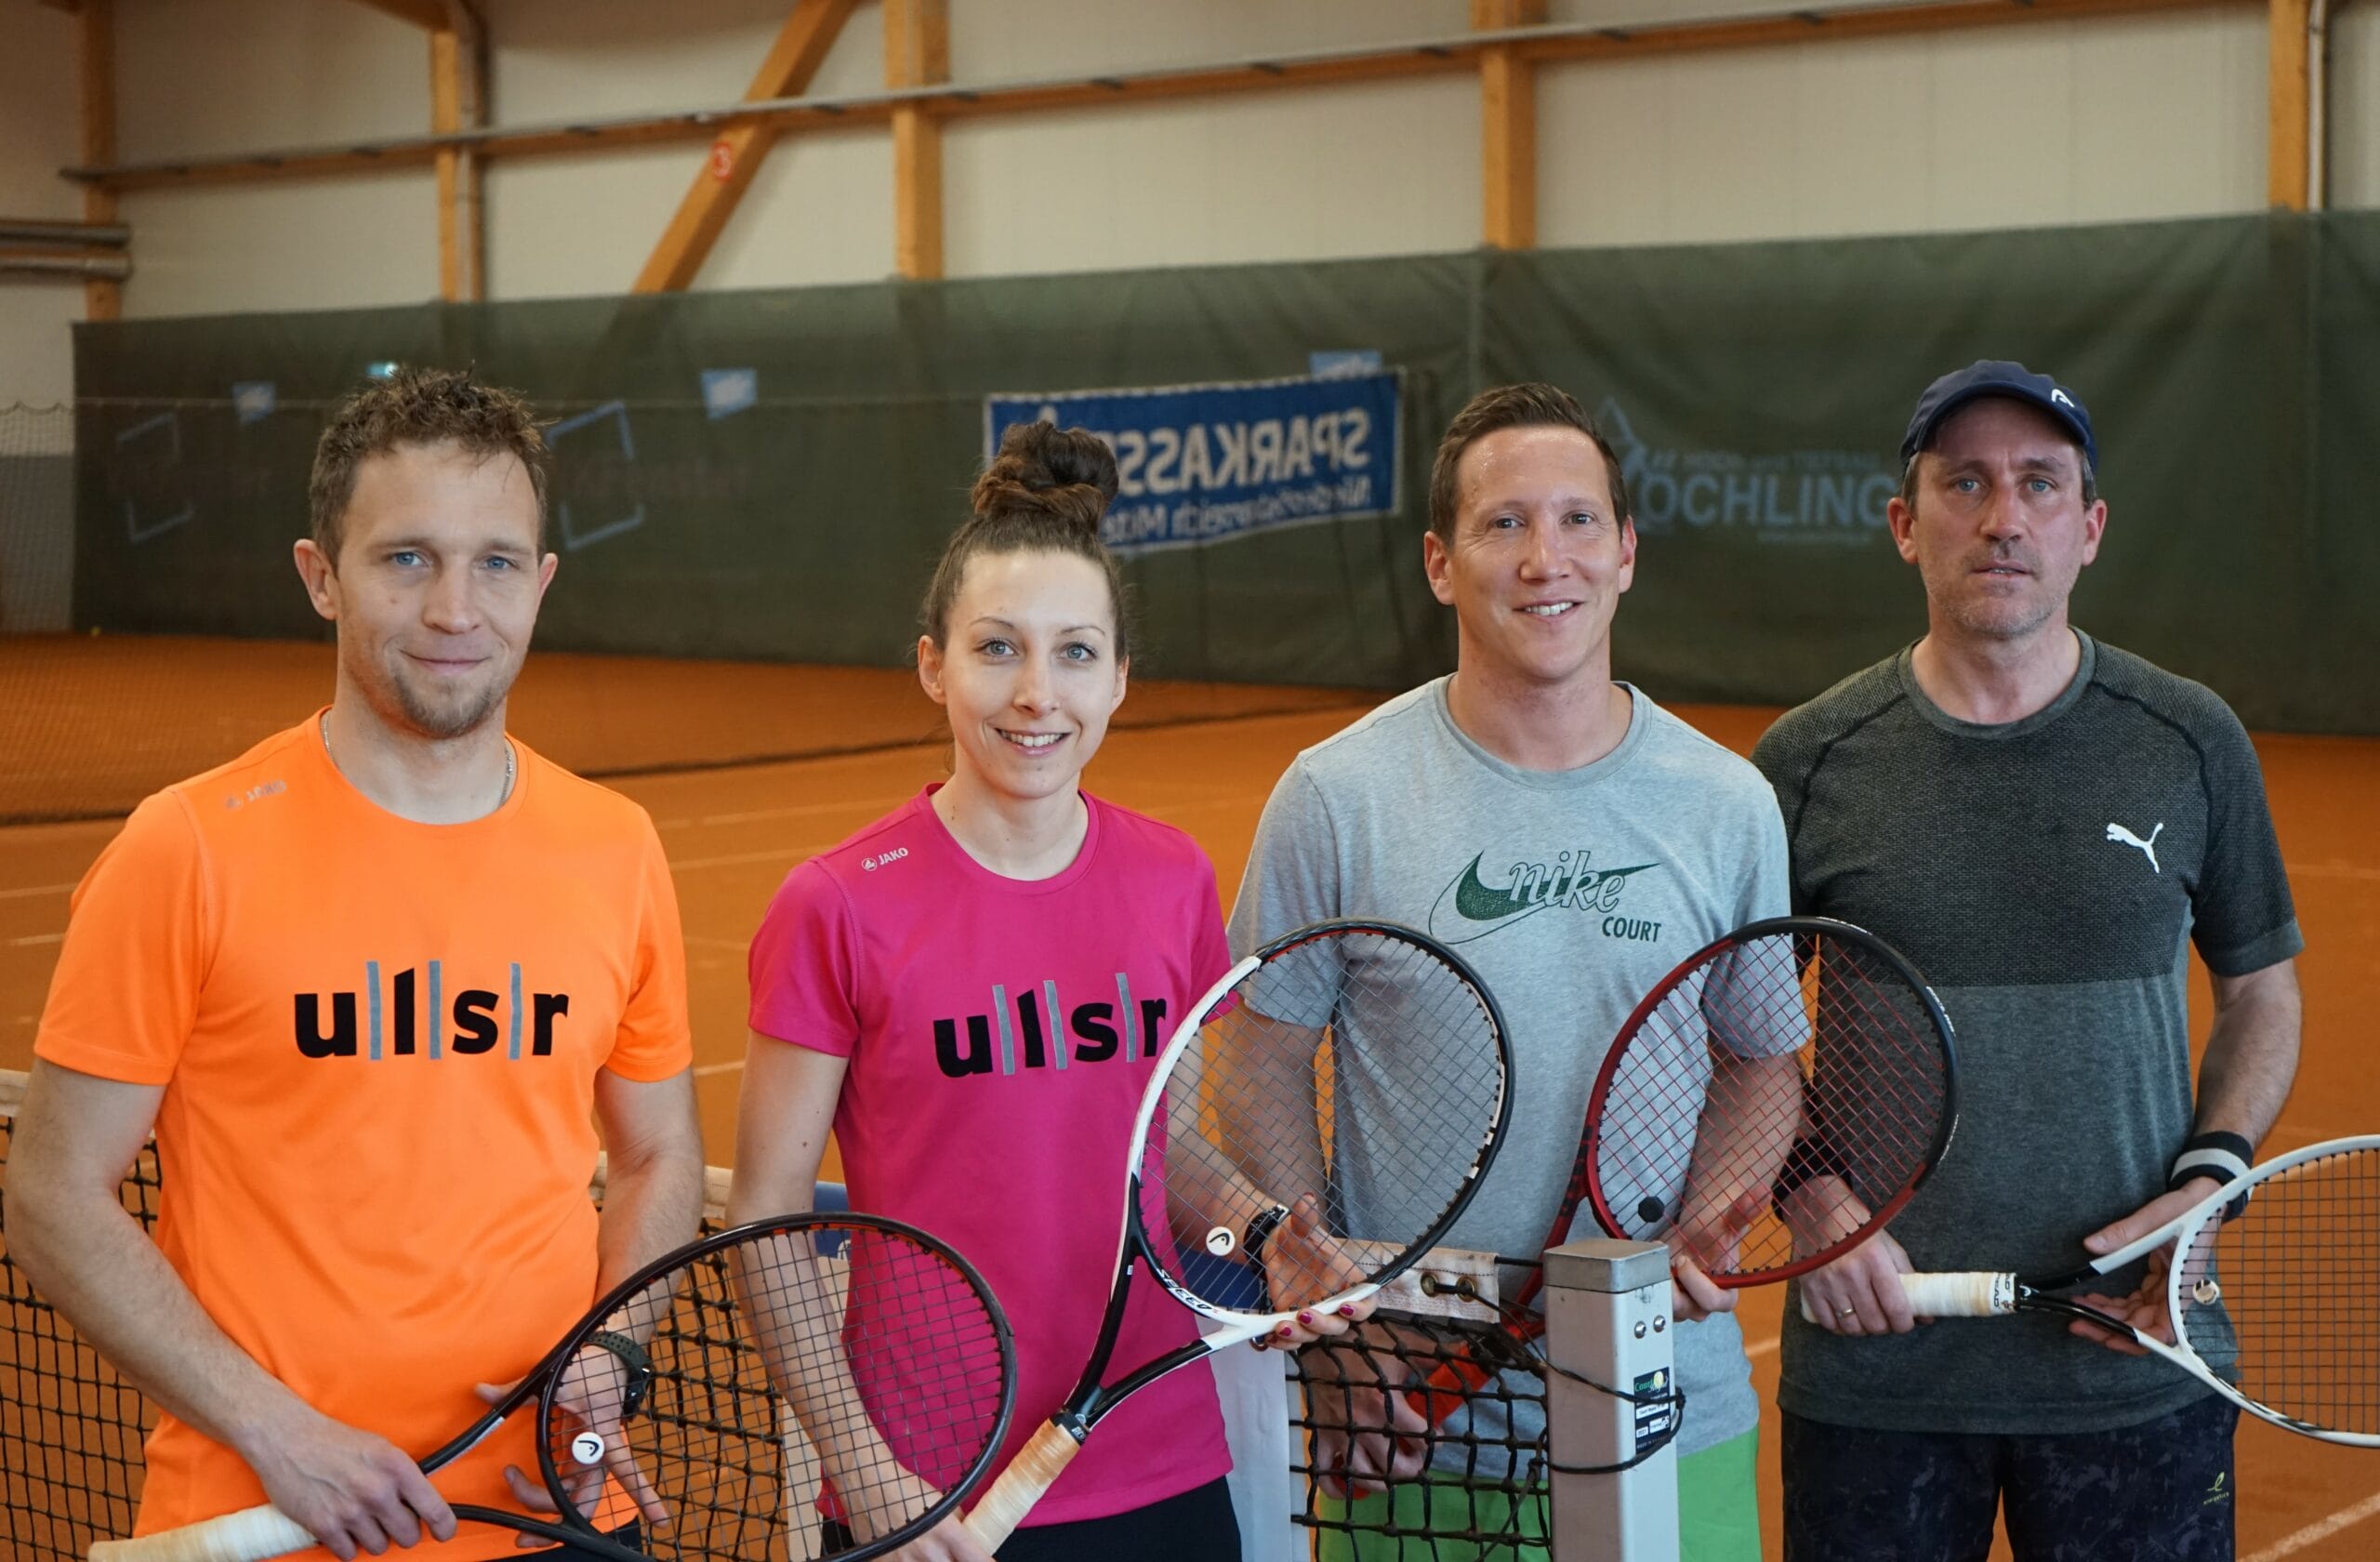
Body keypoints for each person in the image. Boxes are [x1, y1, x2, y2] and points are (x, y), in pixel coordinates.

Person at [6, 369, 707, 1562]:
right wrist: (275, 1432)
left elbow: (657, 1152)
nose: (455, 609)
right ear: (321, 576)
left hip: (550, 1517)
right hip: (269, 1521)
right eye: (406, 558)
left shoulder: (617, 845)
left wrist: (614, 1349)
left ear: (540, 584)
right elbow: (51, 1193)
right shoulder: (185, 850)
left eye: (496, 562)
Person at [729, 421, 1362, 1562]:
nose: (1036, 694)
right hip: (927, 1489)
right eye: (996, 649)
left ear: (1117, 678)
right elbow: (767, 1216)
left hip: (1158, 1455)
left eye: (1074, 653)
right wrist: (866, 1475)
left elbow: (1159, 1150)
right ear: (934, 665)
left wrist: (1262, 1231)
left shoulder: (1171, 878)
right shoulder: (836, 905)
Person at [1752, 360, 2304, 1561]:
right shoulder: (1809, 760)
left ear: (2088, 529)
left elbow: (2261, 992)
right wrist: (1815, 1202)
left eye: (2040, 484)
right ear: (1905, 525)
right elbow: (1729, 1032)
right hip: (1877, 1370)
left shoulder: (2190, 738)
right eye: (1965, 483)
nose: (2003, 517)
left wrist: (2209, 1184)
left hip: (2135, 1354)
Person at [1228, 383, 1787, 1562]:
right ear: (1440, 564)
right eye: (1504, 524)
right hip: (1407, 1425)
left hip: (1669, 1418)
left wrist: (1708, 1217)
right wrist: (1331, 1322)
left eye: (1578, 520)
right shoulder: (1336, 794)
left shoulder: (1726, 803)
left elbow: (1759, 1058)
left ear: (1625, 552)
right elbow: (1263, 1059)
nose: (1547, 559)